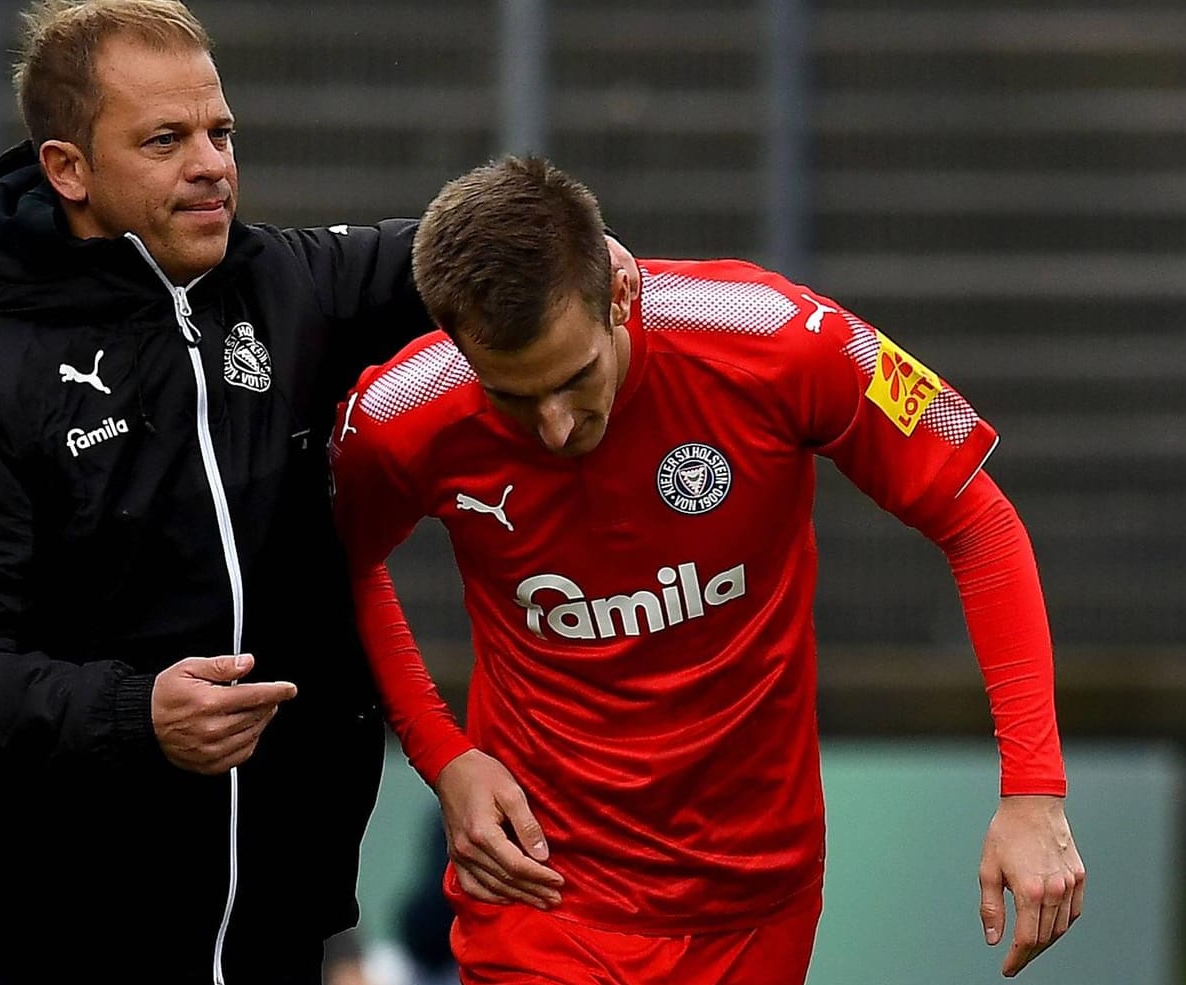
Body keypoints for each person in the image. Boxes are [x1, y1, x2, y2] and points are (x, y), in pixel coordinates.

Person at [0, 3, 635, 981]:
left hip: (278, 934)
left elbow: (468, 256)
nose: (211, 164)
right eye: (164, 140)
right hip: (46, 947)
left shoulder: (286, 288)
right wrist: (132, 713)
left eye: (220, 131)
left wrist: (579, 259)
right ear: (68, 169)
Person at [327, 157, 1086, 985]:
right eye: (512, 395)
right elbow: (340, 564)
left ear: (619, 292)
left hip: (754, 896)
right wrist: (444, 756)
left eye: (575, 378)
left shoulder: (784, 337)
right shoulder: (401, 414)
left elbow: (977, 520)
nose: (552, 426)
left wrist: (1033, 789)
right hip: (540, 888)